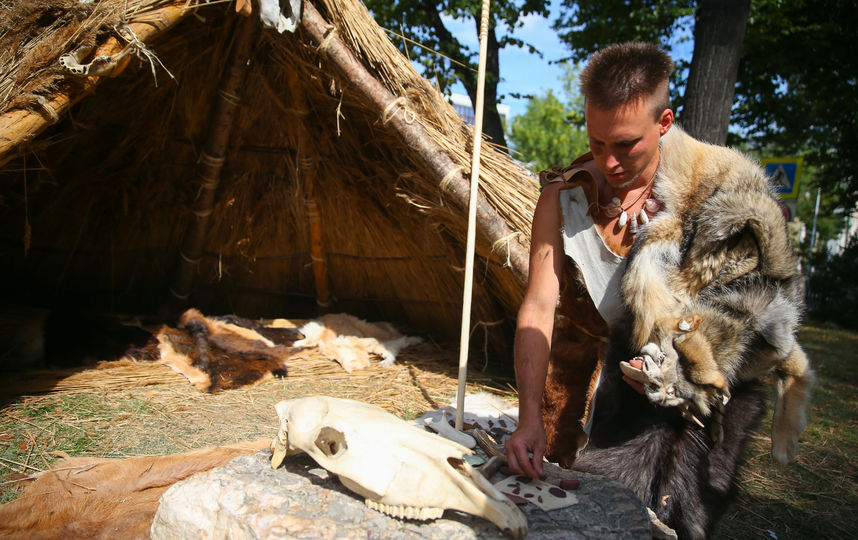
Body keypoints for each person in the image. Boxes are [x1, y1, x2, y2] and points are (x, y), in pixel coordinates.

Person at [504, 42, 675, 479]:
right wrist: (528, 418)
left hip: (657, 399)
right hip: (574, 382)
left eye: (626, 145)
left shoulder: (693, 197)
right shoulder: (563, 197)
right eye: (596, 143)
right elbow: (538, 307)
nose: (610, 161)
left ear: (663, 124)